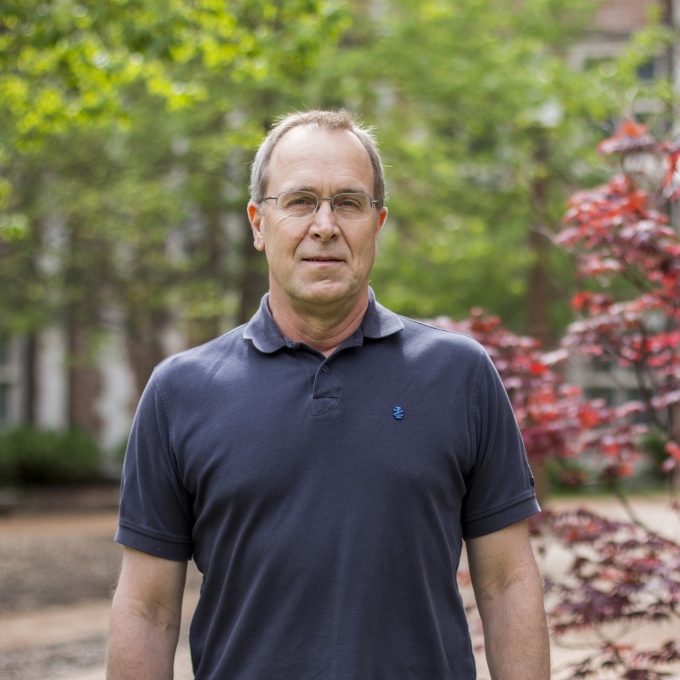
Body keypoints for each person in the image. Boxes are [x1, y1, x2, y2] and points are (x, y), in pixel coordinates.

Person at [107, 109, 550, 680]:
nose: (324, 225)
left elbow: (506, 581)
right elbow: (148, 608)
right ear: (258, 223)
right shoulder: (180, 392)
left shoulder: (459, 375)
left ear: (378, 223)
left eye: (348, 202)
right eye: (298, 201)